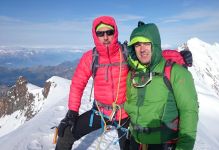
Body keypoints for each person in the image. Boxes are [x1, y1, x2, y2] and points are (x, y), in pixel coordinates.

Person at [55, 16, 193, 150]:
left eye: (109, 32)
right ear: (95, 35)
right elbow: (77, 84)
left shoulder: (126, 53)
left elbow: (153, 54)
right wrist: (72, 112)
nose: (105, 37)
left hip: (124, 114)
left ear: (115, 33)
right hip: (100, 113)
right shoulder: (90, 58)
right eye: (100, 33)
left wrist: (179, 56)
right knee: (66, 133)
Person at [124, 22, 199, 150]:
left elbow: (189, 112)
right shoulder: (132, 74)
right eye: (137, 45)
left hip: (164, 145)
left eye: (147, 43)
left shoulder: (176, 72)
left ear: (155, 45)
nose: (142, 49)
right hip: (135, 143)